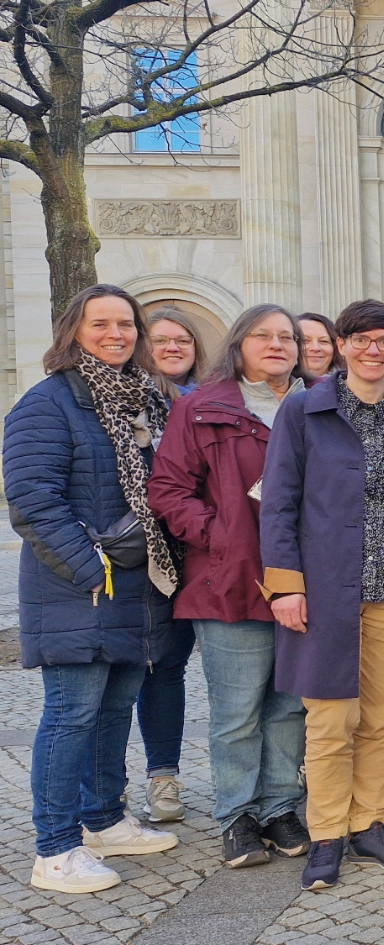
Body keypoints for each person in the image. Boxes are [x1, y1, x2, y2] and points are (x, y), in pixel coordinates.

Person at [8, 285, 181, 893]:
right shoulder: (47, 403)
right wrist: (92, 571)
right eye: (100, 323)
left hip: (139, 589)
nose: (117, 334)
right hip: (79, 587)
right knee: (70, 716)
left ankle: (103, 820)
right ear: (72, 331)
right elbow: (32, 501)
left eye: (126, 324)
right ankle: (54, 849)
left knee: (114, 711)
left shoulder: (145, 402)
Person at [262, 299, 384, 891]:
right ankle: (328, 832)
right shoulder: (301, 411)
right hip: (328, 590)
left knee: (383, 718)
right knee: (330, 719)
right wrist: (284, 585)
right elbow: (279, 502)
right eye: (361, 340)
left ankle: (370, 823)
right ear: (341, 344)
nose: (373, 350)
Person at [148, 303, 313, 869]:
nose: (277, 345)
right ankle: (238, 816)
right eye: (263, 336)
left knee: (290, 706)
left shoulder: (320, 406)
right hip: (230, 578)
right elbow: (168, 490)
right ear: (239, 344)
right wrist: (219, 535)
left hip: (309, 580)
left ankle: (281, 807)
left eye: (287, 337)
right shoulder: (202, 409)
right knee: (238, 709)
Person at [134, 307, 204, 820]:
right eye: (162, 340)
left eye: (184, 340)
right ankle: (162, 778)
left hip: (201, 556)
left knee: (172, 668)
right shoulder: (125, 405)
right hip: (147, 559)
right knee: (155, 669)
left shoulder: (205, 403)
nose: (174, 348)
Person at [149, 308, 204, 394]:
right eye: (160, 341)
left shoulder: (217, 396)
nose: (173, 348)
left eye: (183, 341)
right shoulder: (132, 400)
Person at [298, 312, 345, 377]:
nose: (315, 348)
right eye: (305, 341)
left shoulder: (352, 384)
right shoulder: (281, 385)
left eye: (323, 341)